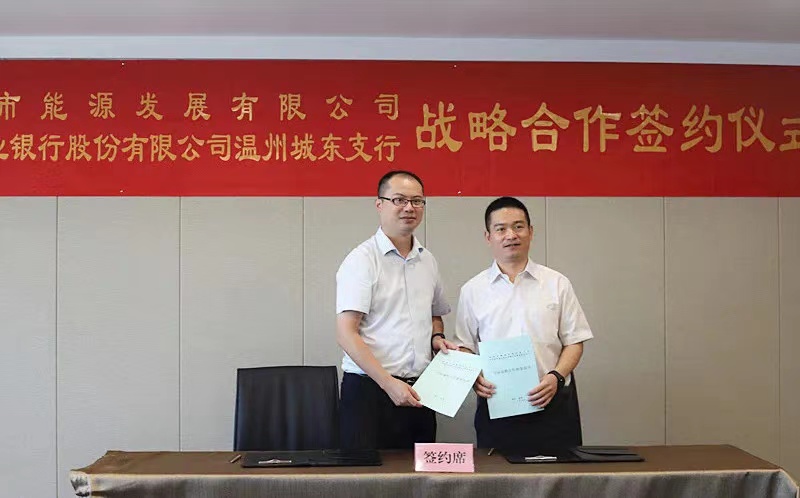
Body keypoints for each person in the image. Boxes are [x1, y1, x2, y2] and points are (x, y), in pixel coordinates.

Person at [453, 196, 593, 451]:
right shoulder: (473, 290)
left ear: (531, 231)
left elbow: (575, 341)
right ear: (488, 237)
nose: (511, 235)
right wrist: (474, 377)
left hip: (552, 399)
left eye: (518, 227)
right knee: (498, 473)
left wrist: (556, 377)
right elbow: (464, 346)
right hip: (498, 403)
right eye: (501, 229)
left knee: (561, 472)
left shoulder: (557, 283)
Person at [336, 170, 456, 449]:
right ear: (379, 204)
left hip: (420, 391)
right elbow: (345, 333)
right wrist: (388, 383)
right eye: (399, 200)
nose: (409, 208)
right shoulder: (362, 260)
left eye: (417, 201)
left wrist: (437, 338)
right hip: (370, 391)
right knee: (368, 475)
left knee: (419, 474)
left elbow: (435, 314)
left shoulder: (427, 261)